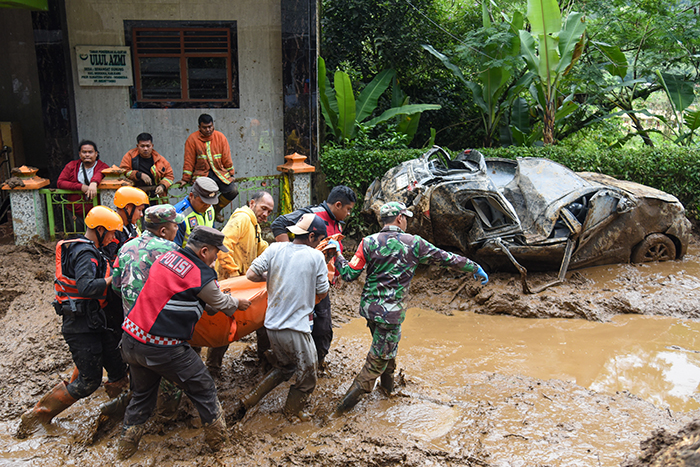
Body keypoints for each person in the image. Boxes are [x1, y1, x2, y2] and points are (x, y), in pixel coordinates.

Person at [332, 201, 489, 415]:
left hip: (370, 311)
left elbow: (350, 274)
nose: (407, 221)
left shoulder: (367, 242)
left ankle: (388, 391)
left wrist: (337, 254)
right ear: (399, 218)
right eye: (406, 217)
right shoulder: (414, 243)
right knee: (374, 365)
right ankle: (338, 412)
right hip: (391, 315)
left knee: (385, 350)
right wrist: (475, 267)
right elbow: (445, 258)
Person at [117, 226, 251, 459]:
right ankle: (220, 446)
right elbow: (222, 304)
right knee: (204, 387)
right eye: (215, 253)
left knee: (141, 397)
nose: (217, 257)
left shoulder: (167, 257)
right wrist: (239, 303)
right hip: (162, 346)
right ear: (204, 251)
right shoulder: (201, 274)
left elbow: (186, 296)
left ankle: (125, 450)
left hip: (131, 339)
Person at [16, 206, 128, 438]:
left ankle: (121, 414)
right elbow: (86, 287)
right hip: (80, 326)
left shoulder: (95, 249)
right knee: (88, 381)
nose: (114, 238)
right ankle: (38, 416)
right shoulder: (85, 254)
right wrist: (112, 279)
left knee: (118, 370)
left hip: (98, 321)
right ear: (99, 230)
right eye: (110, 233)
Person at [235, 213, 329, 422]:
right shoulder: (316, 257)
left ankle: (248, 400)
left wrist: (272, 277)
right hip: (295, 328)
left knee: (285, 368)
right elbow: (322, 292)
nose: (319, 244)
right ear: (312, 236)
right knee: (308, 375)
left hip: (272, 326)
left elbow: (251, 275)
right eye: (320, 240)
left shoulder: (275, 248)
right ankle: (292, 412)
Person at [270, 185, 356, 372]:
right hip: (300, 282)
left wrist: (338, 274)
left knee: (323, 326)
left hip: (319, 282)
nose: (349, 214)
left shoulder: (337, 223)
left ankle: (316, 362)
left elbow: (334, 247)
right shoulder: (313, 215)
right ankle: (292, 363)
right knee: (302, 322)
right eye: (348, 209)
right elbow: (278, 223)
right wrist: (289, 255)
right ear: (338, 205)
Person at [206, 191, 275, 376]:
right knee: (225, 325)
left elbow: (264, 250)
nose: (266, 214)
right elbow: (223, 244)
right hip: (231, 283)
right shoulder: (243, 218)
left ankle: (266, 362)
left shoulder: (255, 226)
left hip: (243, 284)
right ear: (252, 203)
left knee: (262, 321)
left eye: (269, 211)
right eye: (263, 208)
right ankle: (212, 368)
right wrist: (235, 275)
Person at [175, 114, 238, 222]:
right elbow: (189, 160)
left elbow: (227, 158)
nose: (208, 130)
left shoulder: (220, 137)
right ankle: (206, 217)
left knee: (233, 191)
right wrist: (185, 179)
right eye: (205, 127)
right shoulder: (192, 139)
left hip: (219, 173)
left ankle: (215, 210)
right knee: (203, 198)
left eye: (210, 126)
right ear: (199, 127)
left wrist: (231, 174)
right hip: (202, 175)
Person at [56, 140, 110, 231]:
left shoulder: (103, 166)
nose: (87, 155)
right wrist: (80, 187)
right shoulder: (71, 166)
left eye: (90, 152)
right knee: (79, 235)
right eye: (84, 152)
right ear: (80, 154)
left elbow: (100, 173)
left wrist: (94, 183)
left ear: (96, 154)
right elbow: (60, 182)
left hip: (96, 210)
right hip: (75, 209)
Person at [102, 186, 149, 262]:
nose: (141, 215)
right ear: (127, 207)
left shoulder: (131, 227)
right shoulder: (112, 230)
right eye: (139, 210)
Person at [173, 177, 218, 247]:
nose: (207, 206)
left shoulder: (210, 208)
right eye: (203, 202)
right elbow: (175, 248)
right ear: (191, 196)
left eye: (210, 202)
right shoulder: (178, 216)